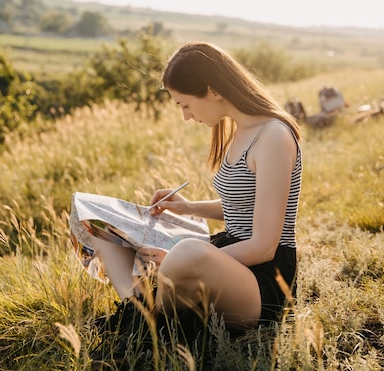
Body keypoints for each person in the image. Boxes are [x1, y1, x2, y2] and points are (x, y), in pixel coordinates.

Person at [84, 42, 302, 363]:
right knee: (104, 227)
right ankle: (144, 318)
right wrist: (186, 208)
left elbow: (264, 246)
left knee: (186, 253)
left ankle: (145, 328)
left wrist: (174, 259)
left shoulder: (273, 137)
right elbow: (241, 206)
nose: (187, 116)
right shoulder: (239, 129)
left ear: (213, 91)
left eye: (185, 105)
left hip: (264, 279)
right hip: (230, 258)